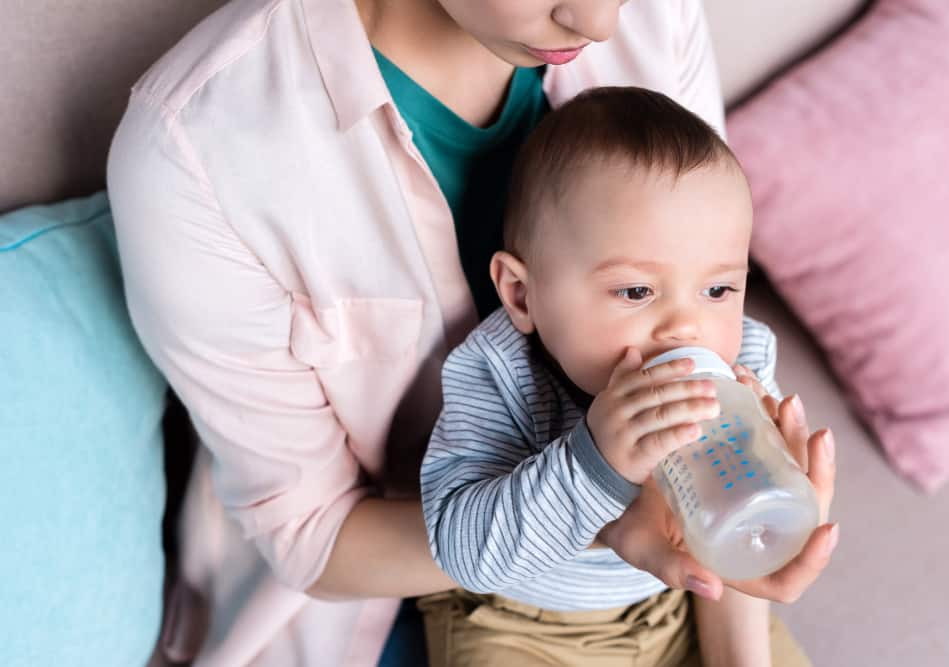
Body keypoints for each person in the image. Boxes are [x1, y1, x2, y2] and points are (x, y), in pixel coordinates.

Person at [107, 0, 837, 664]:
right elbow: (317, 534)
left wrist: (739, 560)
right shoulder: (199, 151)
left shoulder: (650, 17)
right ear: (515, 291)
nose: (603, 23)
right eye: (636, 290)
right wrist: (600, 518)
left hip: (675, 584)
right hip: (444, 605)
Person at [418, 86, 821, 667]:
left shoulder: (743, 363)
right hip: (520, 625)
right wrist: (594, 466)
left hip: (675, 603)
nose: (687, 327)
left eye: (718, 289)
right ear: (521, 295)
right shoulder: (498, 372)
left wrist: (779, 496)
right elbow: (462, 554)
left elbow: (743, 531)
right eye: (636, 291)